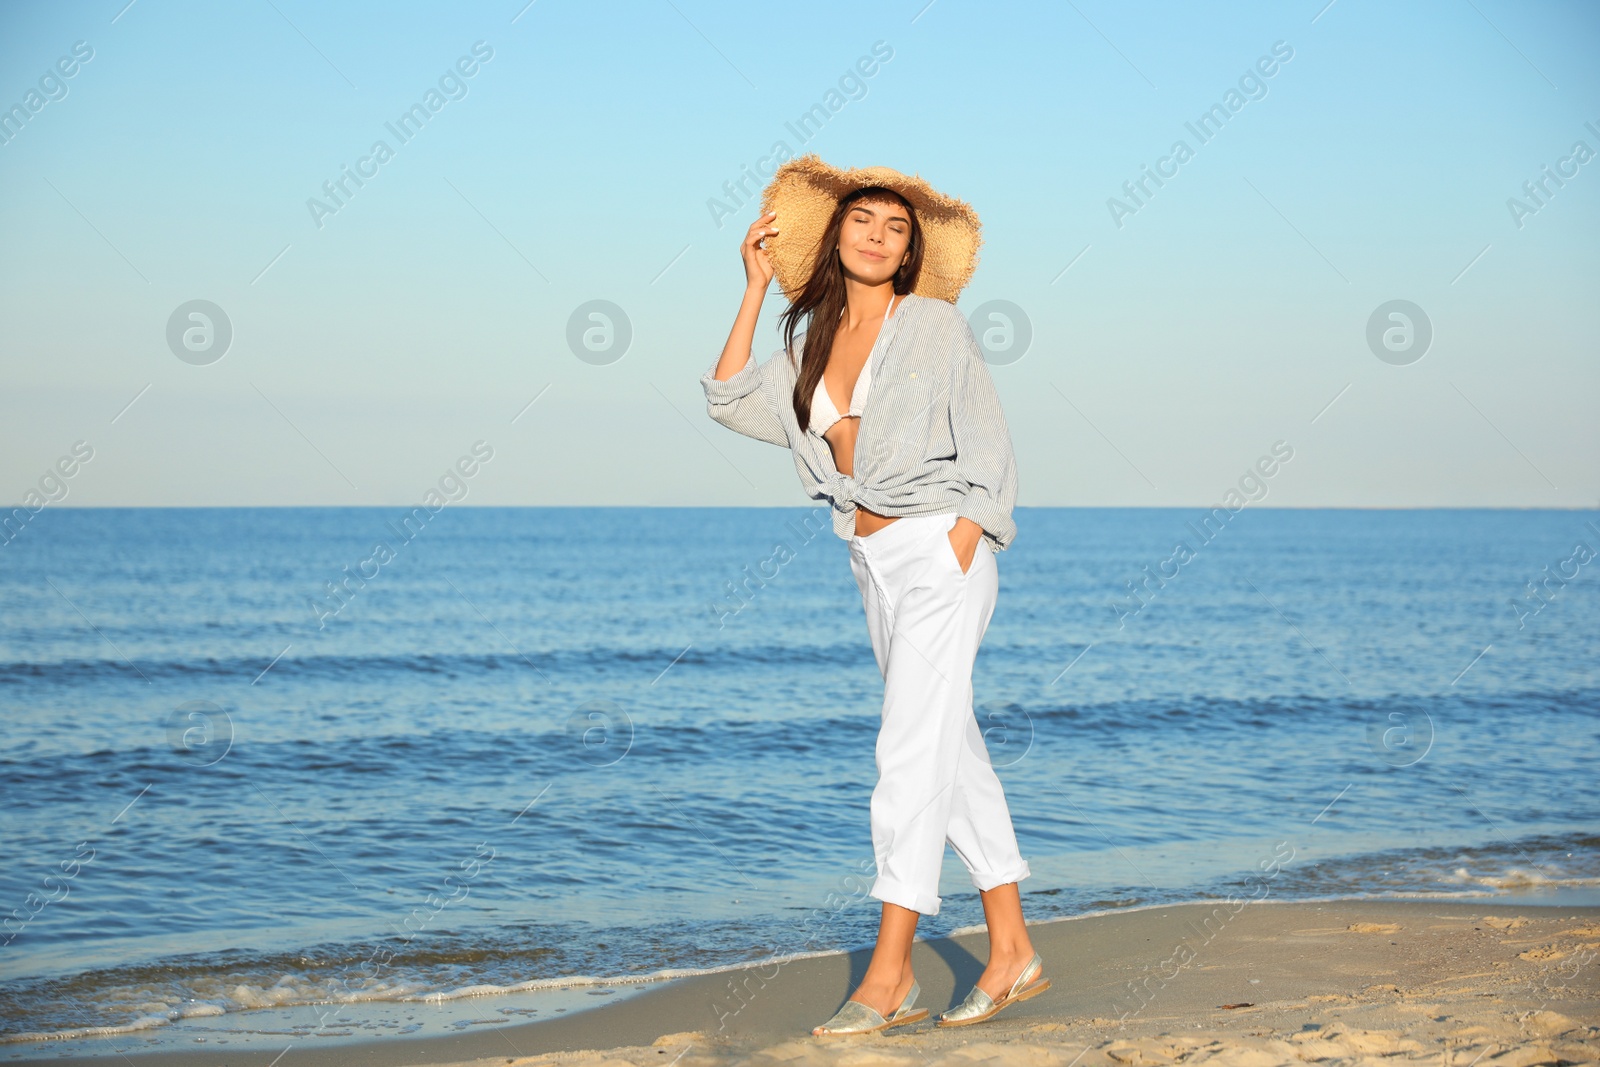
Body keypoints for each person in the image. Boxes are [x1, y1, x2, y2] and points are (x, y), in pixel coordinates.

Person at [699, 155, 1048, 1035]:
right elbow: (730, 399)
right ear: (834, 236)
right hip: (872, 560)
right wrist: (752, 286)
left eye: (897, 227)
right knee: (949, 750)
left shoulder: (932, 326)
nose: (880, 235)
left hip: (940, 549)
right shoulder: (808, 341)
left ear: (910, 250)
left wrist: (969, 533)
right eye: (865, 220)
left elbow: (989, 438)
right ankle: (1013, 951)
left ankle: (889, 972)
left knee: (905, 755)